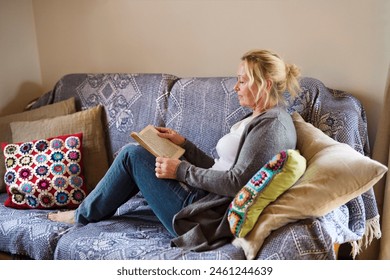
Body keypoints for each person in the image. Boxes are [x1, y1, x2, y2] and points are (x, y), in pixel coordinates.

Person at [49, 49, 301, 251]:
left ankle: (81, 214)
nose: (236, 87)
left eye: (242, 80)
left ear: (266, 84)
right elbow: (221, 168)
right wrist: (185, 146)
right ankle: (91, 209)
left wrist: (181, 171)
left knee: (131, 155)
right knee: (137, 153)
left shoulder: (272, 126)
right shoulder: (260, 117)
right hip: (205, 195)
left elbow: (237, 183)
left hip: (204, 214)